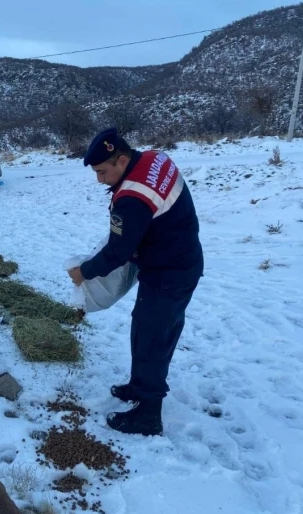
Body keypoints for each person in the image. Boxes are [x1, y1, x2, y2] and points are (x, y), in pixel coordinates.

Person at [67, 127, 203, 436]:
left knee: (153, 338)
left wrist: (84, 272)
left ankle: (148, 416)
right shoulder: (155, 158)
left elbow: (118, 251)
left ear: (122, 159)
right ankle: (139, 386)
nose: (99, 179)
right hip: (179, 259)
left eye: (102, 171)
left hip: (170, 272)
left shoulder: (132, 197)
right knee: (146, 328)